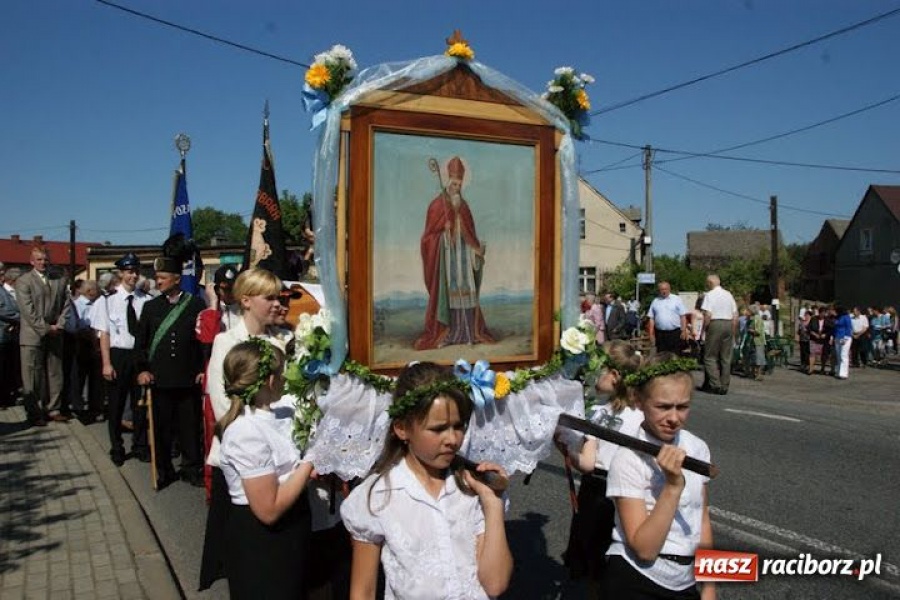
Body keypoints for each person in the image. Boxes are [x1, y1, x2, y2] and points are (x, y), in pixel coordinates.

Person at [341, 362, 513, 599]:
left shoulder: (473, 486)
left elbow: (495, 583)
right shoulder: (378, 496)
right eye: (438, 429)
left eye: (458, 426)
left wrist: (493, 504)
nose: (452, 439)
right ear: (402, 429)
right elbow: (363, 592)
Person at [199, 267, 293, 591]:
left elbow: (289, 396)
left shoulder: (279, 342)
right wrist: (266, 431)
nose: (276, 303)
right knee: (246, 554)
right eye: (269, 297)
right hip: (243, 458)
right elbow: (223, 400)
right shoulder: (227, 342)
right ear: (246, 300)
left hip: (277, 457)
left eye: (278, 296)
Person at [602, 353, 715, 600]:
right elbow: (644, 549)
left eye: (682, 407)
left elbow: (701, 518)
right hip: (639, 580)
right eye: (663, 407)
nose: (674, 418)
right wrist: (673, 486)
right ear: (639, 401)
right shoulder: (628, 458)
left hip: (685, 581)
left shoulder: (697, 448)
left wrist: (708, 586)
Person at [217, 339, 315, 600]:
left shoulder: (280, 413)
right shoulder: (245, 431)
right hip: (263, 541)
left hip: (291, 530)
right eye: (283, 371)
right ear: (272, 380)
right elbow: (268, 510)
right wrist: (310, 462)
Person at [559, 341, 644, 597]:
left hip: (596, 493)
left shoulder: (597, 413)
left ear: (615, 376)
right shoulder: (642, 415)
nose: (594, 374)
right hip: (630, 493)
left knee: (594, 567)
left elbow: (585, 464)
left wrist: (563, 446)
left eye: (599, 368)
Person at [135, 252, 206, 489]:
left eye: (163, 277)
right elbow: (141, 344)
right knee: (162, 428)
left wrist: (201, 368)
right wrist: (142, 370)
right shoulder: (150, 307)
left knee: (189, 427)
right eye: (157, 277)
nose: (159, 281)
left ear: (176, 279)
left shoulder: (195, 304)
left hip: (187, 378)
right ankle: (164, 469)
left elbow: (202, 340)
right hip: (160, 379)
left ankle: (191, 468)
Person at [414, 156, 494, 350]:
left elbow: (470, 232)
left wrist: (475, 247)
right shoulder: (437, 205)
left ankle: (467, 333)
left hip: (463, 257)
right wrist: (443, 230)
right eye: (454, 184)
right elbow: (427, 238)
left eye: (459, 185)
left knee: (465, 293)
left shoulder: (464, 207)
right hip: (447, 259)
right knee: (449, 294)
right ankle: (448, 333)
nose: (456, 188)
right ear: (448, 181)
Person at [93, 254, 151, 466]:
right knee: (116, 405)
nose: (133, 275)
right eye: (129, 271)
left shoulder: (146, 300)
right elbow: (105, 334)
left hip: (138, 357)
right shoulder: (107, 301)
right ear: (121, 273)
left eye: (136, 271)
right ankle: (117, 447)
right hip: (118, 355)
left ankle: (140, 445)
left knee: (139, 404)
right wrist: (107, 363)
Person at [17, 246, 72, 426]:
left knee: (55, 372)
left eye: (45, 259)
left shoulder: (59, 279)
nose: (43, 263)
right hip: (33, 336)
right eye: (39, 259)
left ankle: (53, 408)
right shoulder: (24, 281)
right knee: (33, 376)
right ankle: (35, 412)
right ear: (31, 261)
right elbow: (28, 311)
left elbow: (66, 304)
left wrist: (60, 325)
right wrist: (46, 328)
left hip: (55, 333)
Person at [699, 274, 738, 395]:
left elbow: (708, 315)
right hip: (728, 323)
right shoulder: (728, 294)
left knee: (709, 356)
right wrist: (734, 331)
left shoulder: (709, 295)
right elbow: (735, 315)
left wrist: (703, 331)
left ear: (710, 283)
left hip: (715, 323)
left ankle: (715, 384)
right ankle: (725, 385)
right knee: (726, 357)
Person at [0, 264, 22, 408]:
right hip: (2, 335)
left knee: (8, 369)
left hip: (10, 336)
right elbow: (4, 311)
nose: (3, 275)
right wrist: (21, 317)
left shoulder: (5, 291)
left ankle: (7, 396)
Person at [647, 282, 689, 354]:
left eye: (666, 289)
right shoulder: (655, 301)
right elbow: (651, 318)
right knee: (661, 354)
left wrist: (683, 330)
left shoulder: (677, 299)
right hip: (660, 333)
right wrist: (651, 334)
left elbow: (683, 316)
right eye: (662, 289)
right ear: (659, 290)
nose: (664, 291)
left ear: (669, 289)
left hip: (674, 332)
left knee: (674, 353)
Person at [808, 306, 833, 375]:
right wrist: (814, 334)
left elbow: (831, 330)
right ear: (819, 313)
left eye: (824, 313)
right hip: (814, 338)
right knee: (812, 353)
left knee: (824, 355)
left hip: (824, 340)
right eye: (821, 313)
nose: (822, 315)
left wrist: (826, 335)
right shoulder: (813, 319)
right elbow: (809, 328)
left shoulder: (828, 320)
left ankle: (822, 368)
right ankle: (811, 368)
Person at [833, 306, 853, 380]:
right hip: (837, 337)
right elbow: (835, 327)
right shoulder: (838, 317)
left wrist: (846, 337)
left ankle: (844, 374)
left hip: (845, 338)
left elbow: (849, 327)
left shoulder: (846, 317)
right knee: (838, 355)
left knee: (843, 355)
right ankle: (838, 372)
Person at [747, 305, 767, 381]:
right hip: (754, 341)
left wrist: (749, 330)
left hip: (758, 341)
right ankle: (754, 373)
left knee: (758, 358)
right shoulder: (752, 319)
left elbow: (758, 331)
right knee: (754, 357)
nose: (747, 312)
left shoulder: (757, 319)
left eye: (748, 310)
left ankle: (758, 374)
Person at [796, 309, 811, 374]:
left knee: (807, 353)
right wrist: (798, 334)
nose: (806, 316)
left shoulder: (811, 323)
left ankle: (808, 365)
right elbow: (798, 331)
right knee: (802, 352)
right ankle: (803, 364)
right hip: (802, 339)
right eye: (805, 315)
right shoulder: (802, 322)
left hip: (809, 339)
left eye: (807, 315)